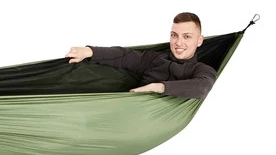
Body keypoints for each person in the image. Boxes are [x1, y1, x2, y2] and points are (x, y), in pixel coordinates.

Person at [65, 12, 217, 99]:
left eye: (187, 37)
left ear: (199, 40)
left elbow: (202, 88)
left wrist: (157, 87)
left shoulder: (202, 70)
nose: (178, 42)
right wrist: (90, 51)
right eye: (174, 35)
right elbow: (124, 56)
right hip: (125, 105)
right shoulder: (156, 59)